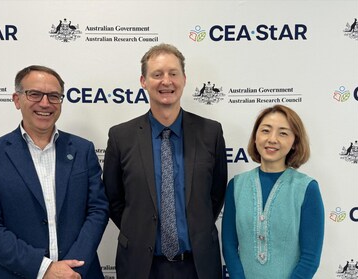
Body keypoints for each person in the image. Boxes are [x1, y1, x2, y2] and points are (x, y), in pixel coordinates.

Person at [0, 65, 109, 279]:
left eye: (54, 96)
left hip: (79, 274)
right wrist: (44, 268)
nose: (45, 103)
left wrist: (71, 269)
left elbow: (98, 210)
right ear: (17, 100)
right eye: (34, 94)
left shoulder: (83, 149)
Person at [103, 43, 227, 279]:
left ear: (184, 78)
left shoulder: (210, 133)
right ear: (143, 81)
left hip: (198, 266)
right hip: (141, 267)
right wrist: (142, 232)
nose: (166, 81)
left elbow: (216, 194)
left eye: (173, 73)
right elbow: (114, 199)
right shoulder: (121, 136)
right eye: (157, 74)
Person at [222, 105, 324, 279]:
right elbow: (229, 245)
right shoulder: (236, 185)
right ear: (255, 137)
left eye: (283, 133)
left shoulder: (307, 188)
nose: (272, 139)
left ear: (294, 142)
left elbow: (310, 258)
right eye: (265, 131)